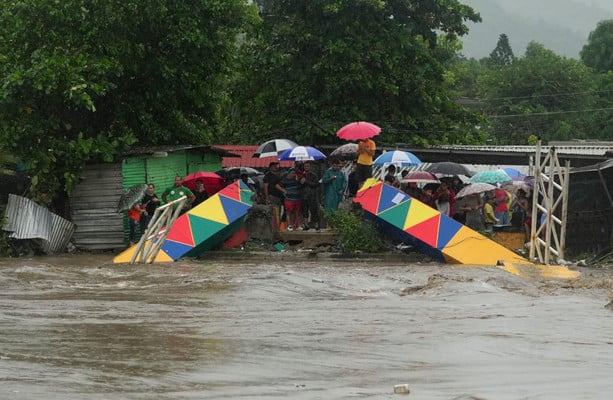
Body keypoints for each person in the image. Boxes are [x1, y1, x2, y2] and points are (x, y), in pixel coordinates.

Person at [300, 160, 322, 230]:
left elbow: (316, 184)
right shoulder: (302, 175)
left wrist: (306, 181)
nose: (306, 167)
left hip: (312, 196)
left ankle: (316, 225)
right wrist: (300, 182)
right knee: (304, 211)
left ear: (310, 167)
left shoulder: (314, 175)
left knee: (314, 211)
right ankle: (306, 225)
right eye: (305, 166)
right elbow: (299, 186)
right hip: (303, 196)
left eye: (307, 166)